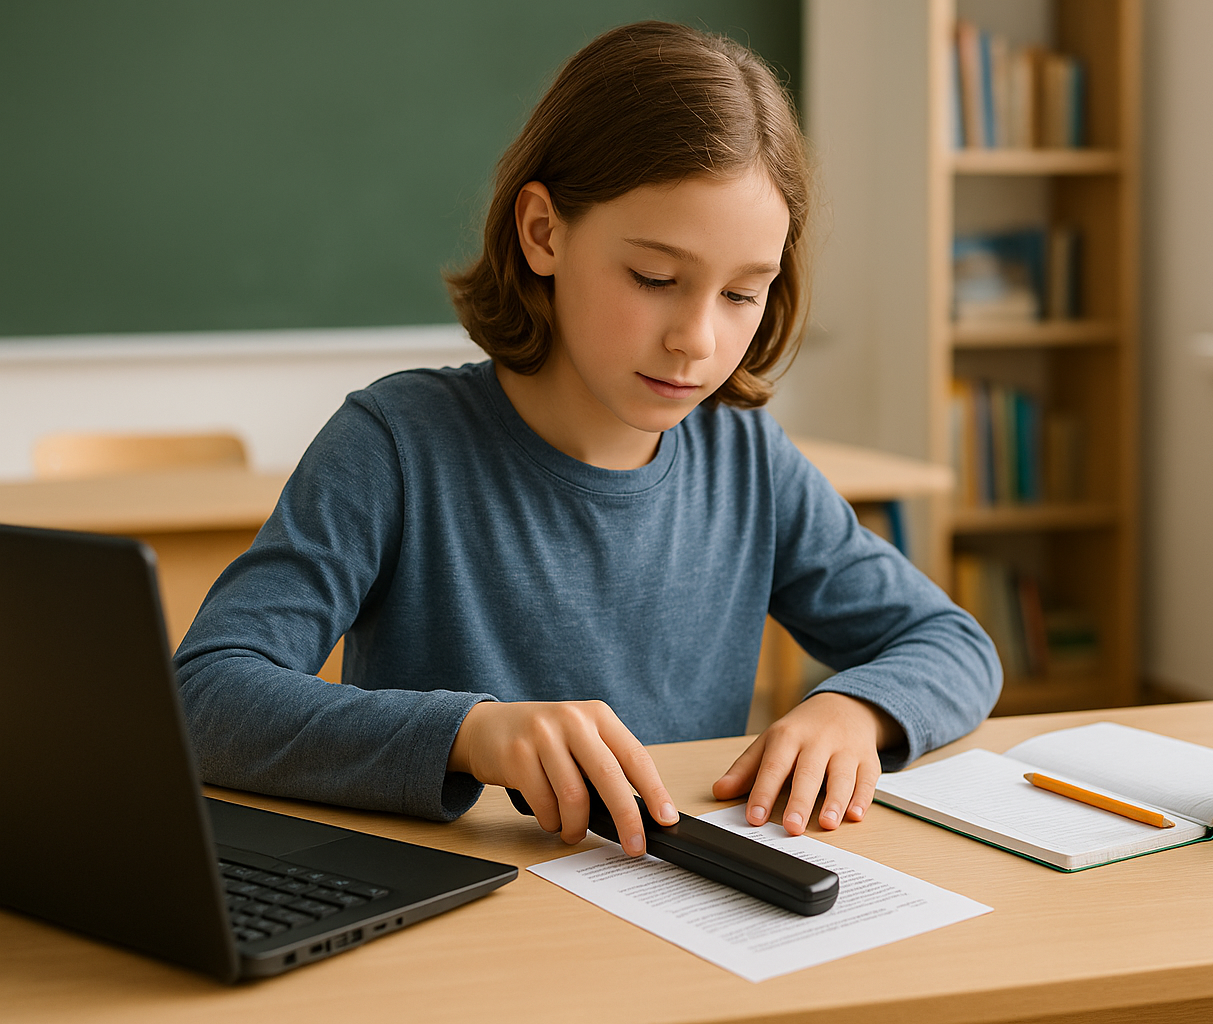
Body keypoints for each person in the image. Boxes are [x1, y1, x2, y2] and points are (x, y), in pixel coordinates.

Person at [175, 21, 1000, 859]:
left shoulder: (748, 461)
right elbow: (203, 695)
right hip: (453, 915)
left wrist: (855, 710)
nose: (697, 340)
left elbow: (953, 644)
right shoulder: (394, 444)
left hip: (675, 913)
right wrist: (471, 733)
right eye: (655, 279)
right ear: (543, 233)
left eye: (743, 294)